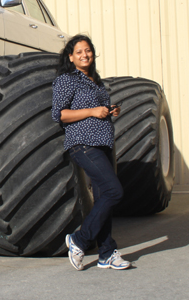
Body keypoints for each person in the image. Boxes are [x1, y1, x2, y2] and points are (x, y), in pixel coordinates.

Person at [51, 34, 131, 271]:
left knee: (103, 198)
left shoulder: (96, 81)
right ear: (71, 57)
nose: (85, 55)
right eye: (79, 52)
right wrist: (92, 111)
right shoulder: (67, 80)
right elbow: (60, 114)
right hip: (83, 144)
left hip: (103, 143)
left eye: (88, 50)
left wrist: (109, 110)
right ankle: (79, 240)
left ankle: (107, 253)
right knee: (113, 191)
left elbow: (98, 110)